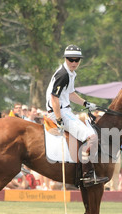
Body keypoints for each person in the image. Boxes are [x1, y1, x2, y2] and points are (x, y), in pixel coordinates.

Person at [45, 44, 108, 187]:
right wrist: (59, 119)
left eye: (76, 60)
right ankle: (87, 175)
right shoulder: (63, 74)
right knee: (91, 137)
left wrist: (85, 103)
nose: (73, 62)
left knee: (91, 132)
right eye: (70, 59)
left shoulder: (70, 73)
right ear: (65, 59)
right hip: (59, 112)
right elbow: (54, 98)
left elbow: (71, 94)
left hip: (65, 111)